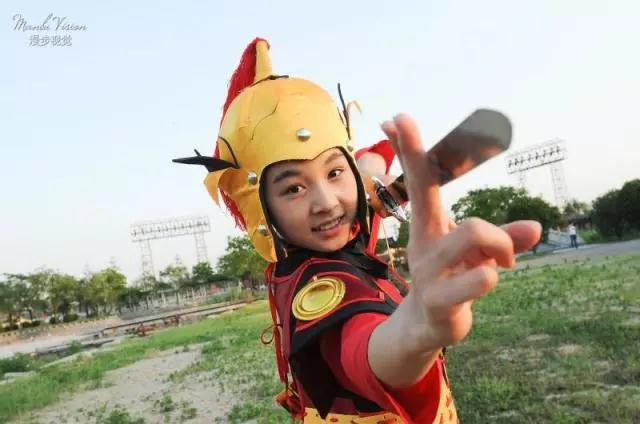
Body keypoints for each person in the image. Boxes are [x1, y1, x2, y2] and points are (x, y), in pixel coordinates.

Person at [175, 38, 541, 423]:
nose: (327, 202)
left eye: (334, 172)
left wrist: (375, 178)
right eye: (293, 188)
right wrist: (419, 326)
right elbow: (363, 350)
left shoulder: (349, 228)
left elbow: (373, 157)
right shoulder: (316, 283)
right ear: (263, 210)